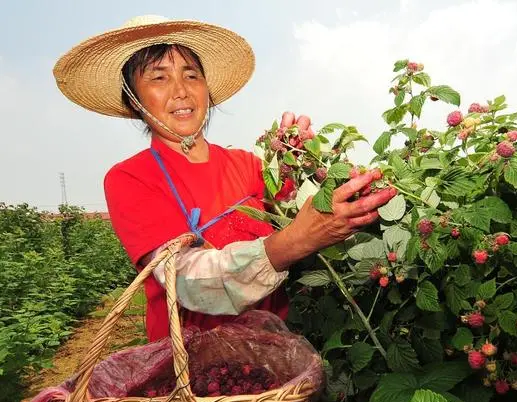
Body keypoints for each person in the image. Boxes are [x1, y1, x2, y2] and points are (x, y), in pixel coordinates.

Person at [53, 15, 396, 342]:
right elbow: (188, 282)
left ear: (206, 88)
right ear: (133, 100)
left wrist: (297, 161)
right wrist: (294, 242)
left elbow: (304, 209)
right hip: (192, 369)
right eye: (158, 78)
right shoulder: (131, 178)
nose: (181, 91)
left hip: (272, 352)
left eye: (191, 75)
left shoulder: (248, 165)